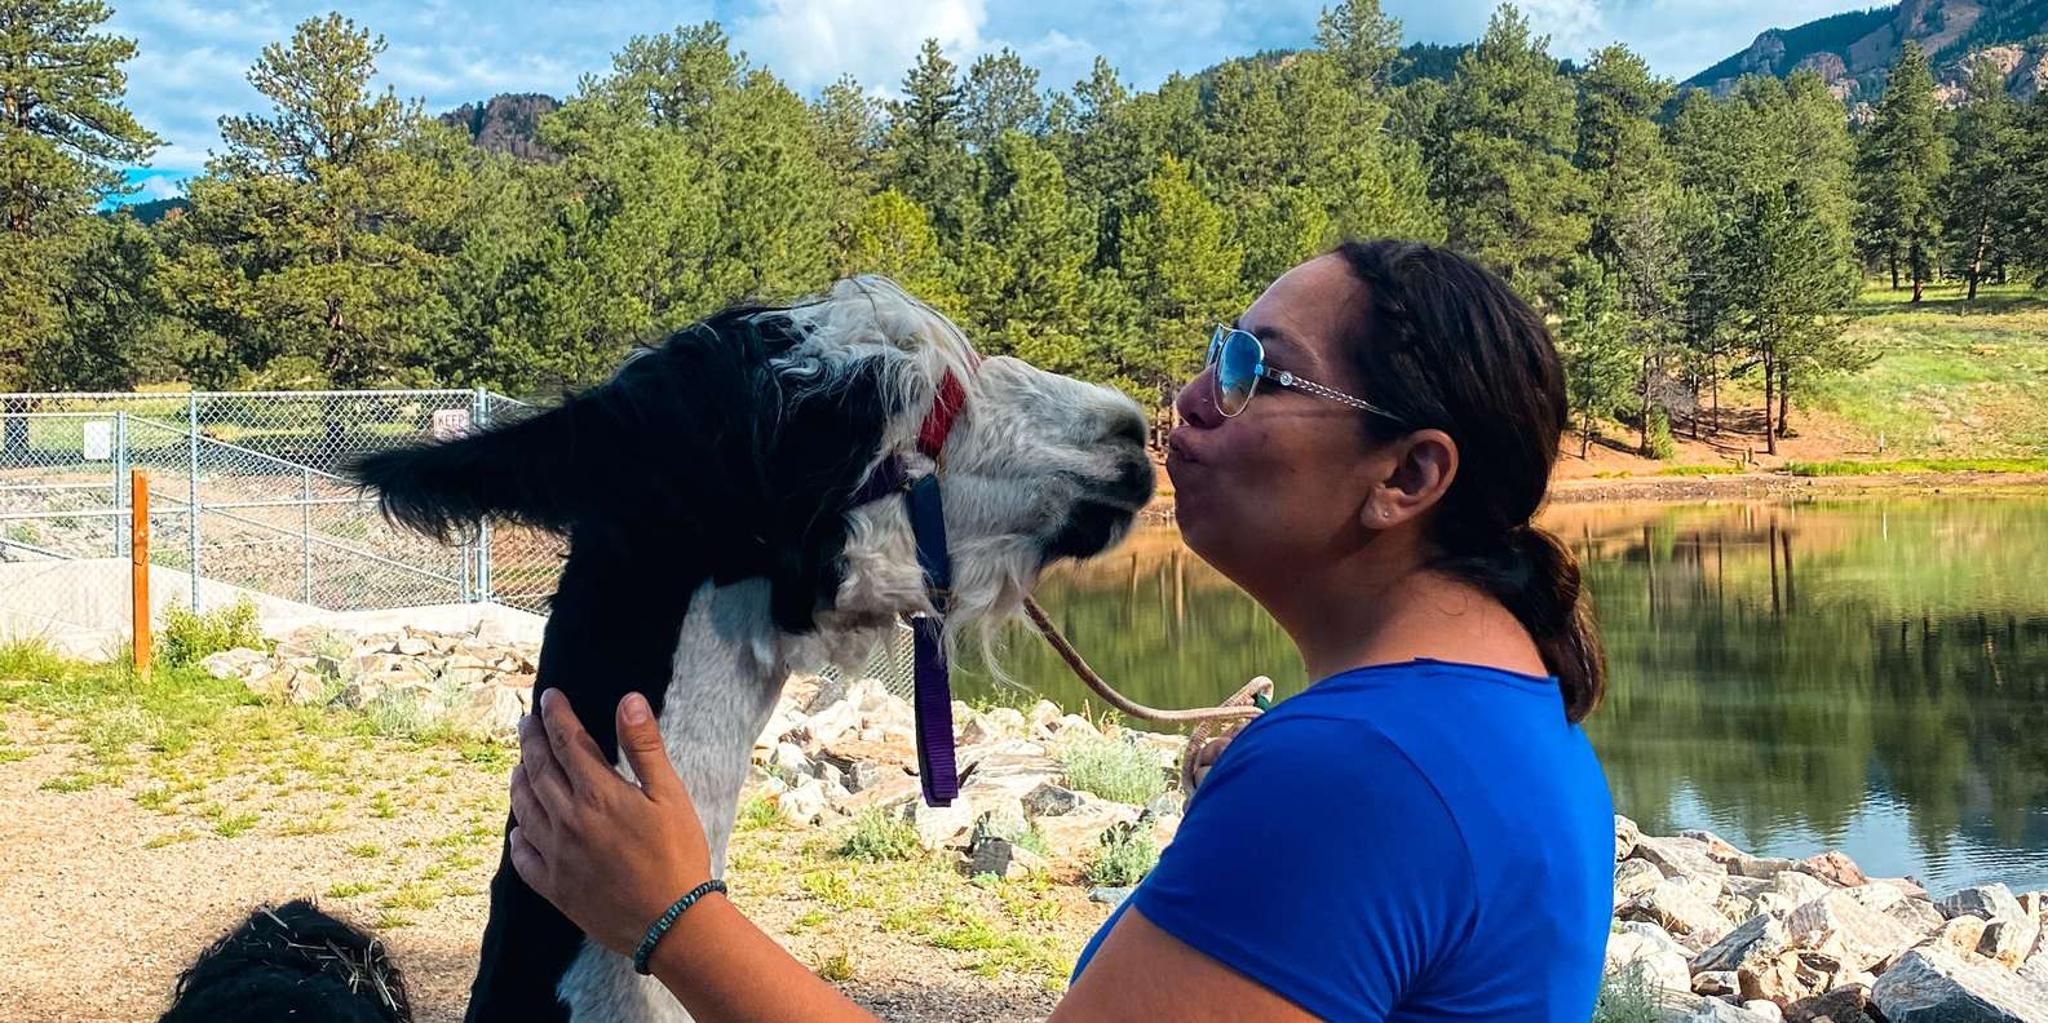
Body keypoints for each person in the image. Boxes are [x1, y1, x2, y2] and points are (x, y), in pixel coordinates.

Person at [507, 239, 1616, 1022]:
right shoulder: (1506, 722)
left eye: (1250, 372)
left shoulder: (1366, 772)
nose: (1186, 397)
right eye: (1216, 350)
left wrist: (671, 919)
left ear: (1407, 476)